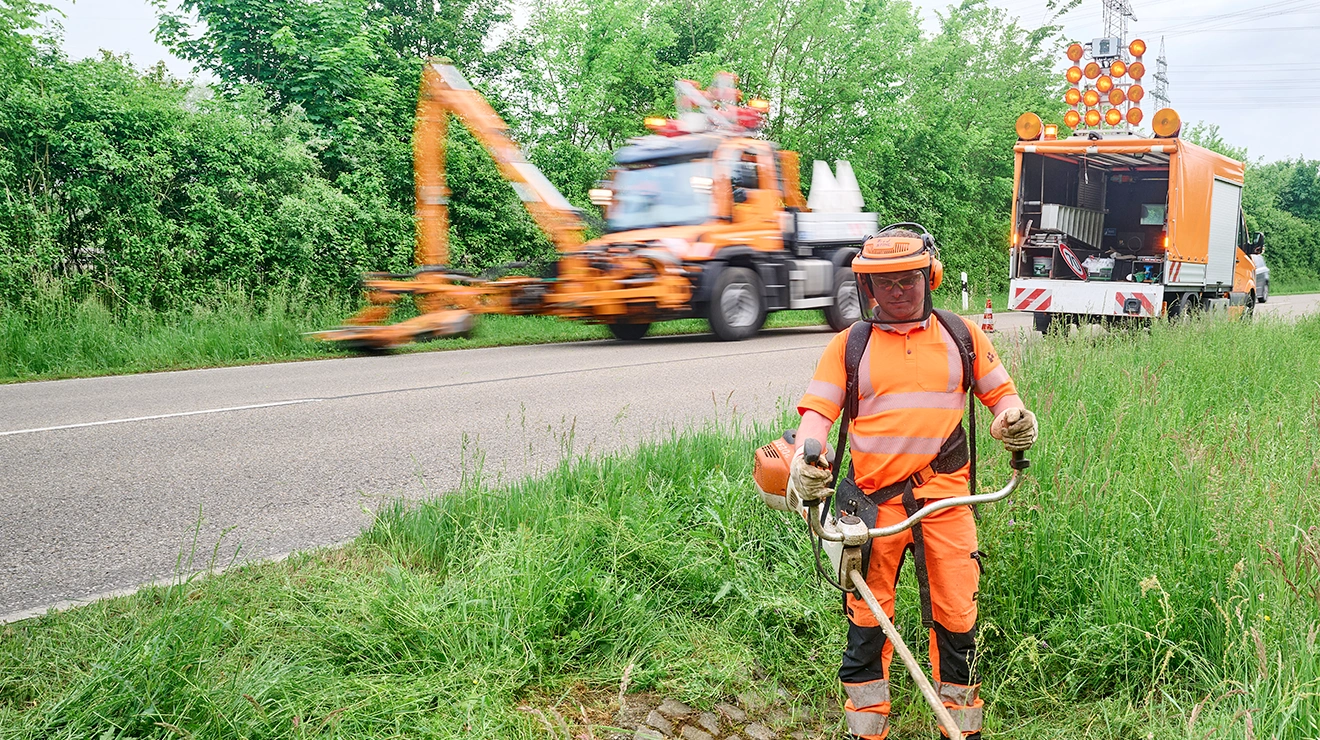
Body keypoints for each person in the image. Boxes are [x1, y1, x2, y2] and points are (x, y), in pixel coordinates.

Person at [789, 226, 1037, 740]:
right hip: (870, 508)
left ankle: (960, 727)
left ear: (930, 278)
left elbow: (1002, 399)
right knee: (866, 622)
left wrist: (1013, 420)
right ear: (868, 290)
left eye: (908, 280)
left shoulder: (963, 336)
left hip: (945, 500)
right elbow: (817, 416)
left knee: (956, 619)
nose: (898, 291)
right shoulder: (849, 345)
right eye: (885, 283)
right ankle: (866, 730)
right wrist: (804, 460)